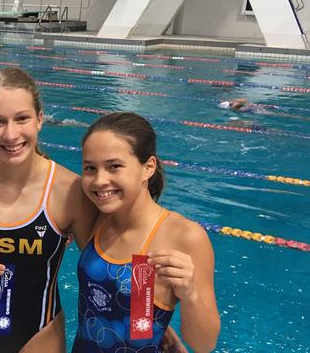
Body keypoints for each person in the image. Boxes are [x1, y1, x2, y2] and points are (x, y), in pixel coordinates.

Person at [0, 67, 98, 352]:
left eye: (21, 118)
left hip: (41, 333)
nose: (11, 134)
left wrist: (149, 319)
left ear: (39, 119)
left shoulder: (70, 191)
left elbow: (100, 268)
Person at [74, 112, 220, 352]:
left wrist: (189, 294)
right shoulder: (99, 216)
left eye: (114, 167)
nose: (100, 180)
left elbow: (204, 345)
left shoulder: (185, 236)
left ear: (148, 167)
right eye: (90, 168)